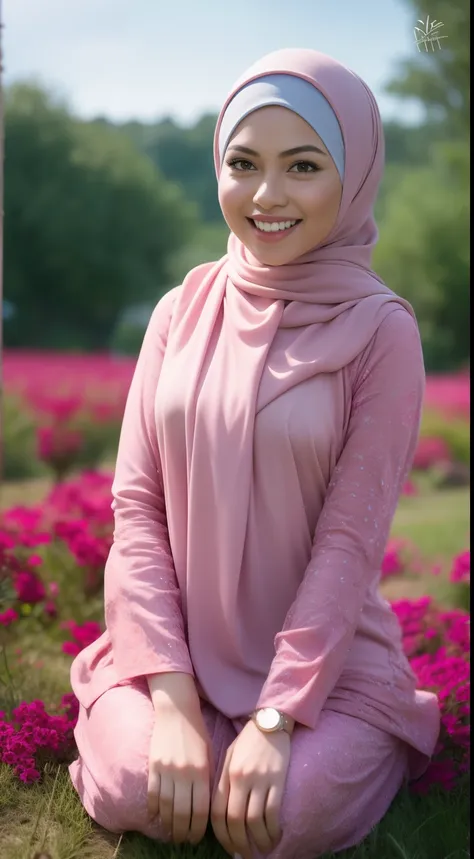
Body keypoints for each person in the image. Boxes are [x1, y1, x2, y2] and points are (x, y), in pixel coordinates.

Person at [68, 48, 440, 859]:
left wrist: (276, 718)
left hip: (328, 675)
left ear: (353, 177)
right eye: (244, 164)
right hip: (173, 657)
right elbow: (137, 509)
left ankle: (331, 746)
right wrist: (169, 699)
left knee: (282, 817)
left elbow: (350, 542)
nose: (267, 195)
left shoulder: (383, 332)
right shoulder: (179, 309)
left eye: (303, 166)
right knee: (142, 783)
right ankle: (159, 724)